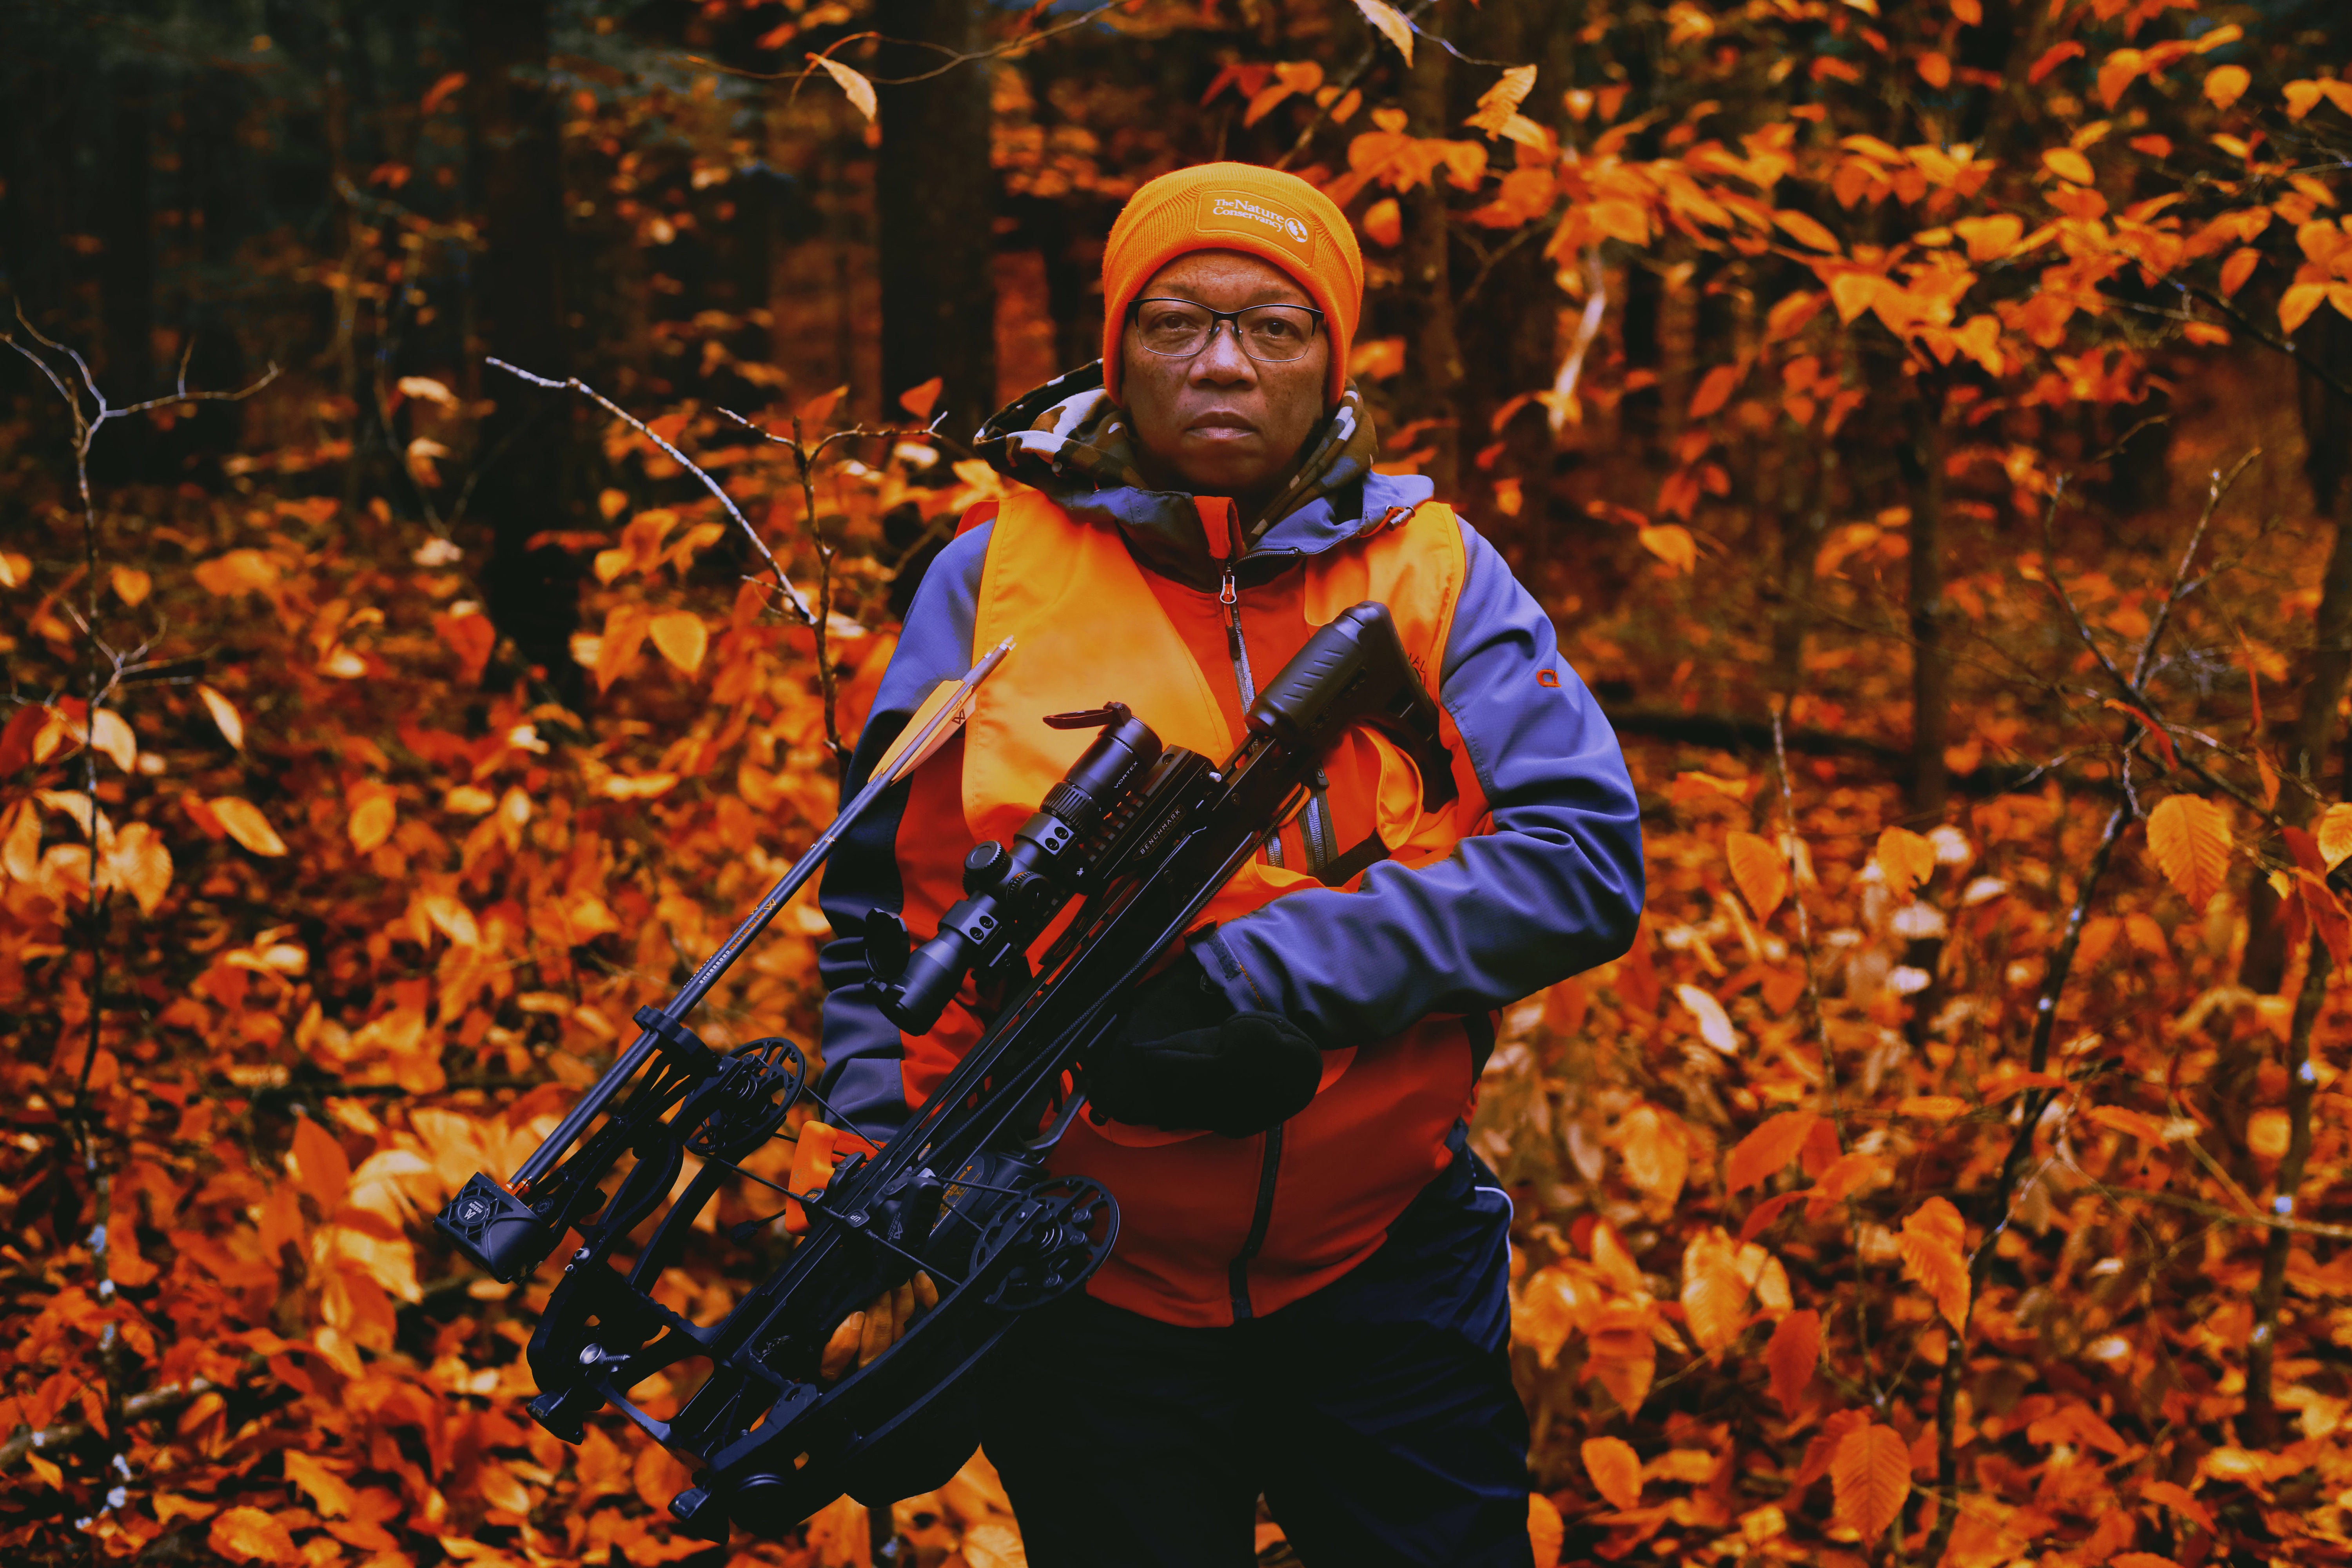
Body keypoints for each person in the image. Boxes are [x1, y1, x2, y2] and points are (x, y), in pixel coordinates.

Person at [813, 162, 1644, 1567]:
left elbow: (1581, 860)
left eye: (1273, 327)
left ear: (1332, 361)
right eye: (1176, 322)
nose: (1220, 363)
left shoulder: (1434, 572)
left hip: (1386, 1267)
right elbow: (889, 919)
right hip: (1078, 1287)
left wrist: (1269, 975)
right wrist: (884, 1188)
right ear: (1115, 348)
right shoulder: (985, 576)